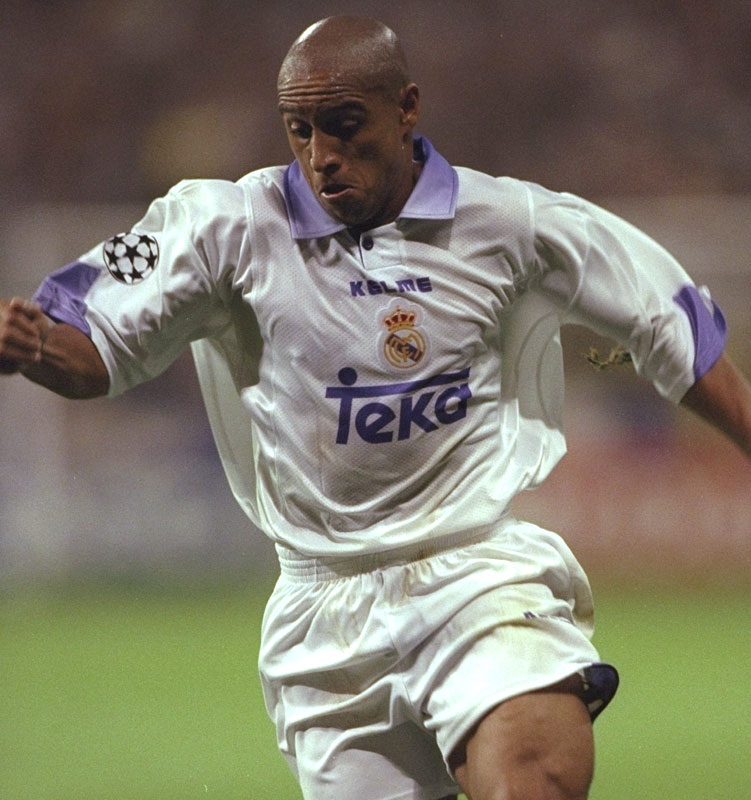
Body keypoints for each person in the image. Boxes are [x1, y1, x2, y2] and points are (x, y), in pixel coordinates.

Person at [1, 15, 749, 800]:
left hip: (475, 571)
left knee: (532, 772)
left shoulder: (510, 223)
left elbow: (670, 325)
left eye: (344, 124)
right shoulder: (224, 229)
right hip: (323, 616)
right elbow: (96, 345)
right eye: (299, 130)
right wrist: (37, 348)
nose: (321, 154)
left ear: (406, 108)